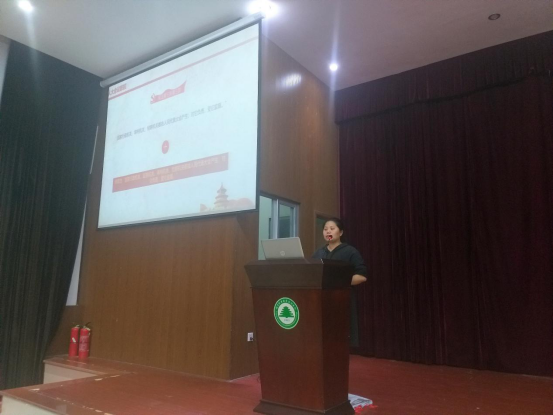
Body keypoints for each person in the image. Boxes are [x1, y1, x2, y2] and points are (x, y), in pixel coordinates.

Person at [312, 218, 367, 346]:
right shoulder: (319, 253)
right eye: (325, 229)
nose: (328, 231)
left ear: (341, 232)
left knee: (340, 337)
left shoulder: (350, 251)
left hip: (342, 299)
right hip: (322, 300)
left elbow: (362, 276)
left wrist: (338, 281)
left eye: (332, 228)